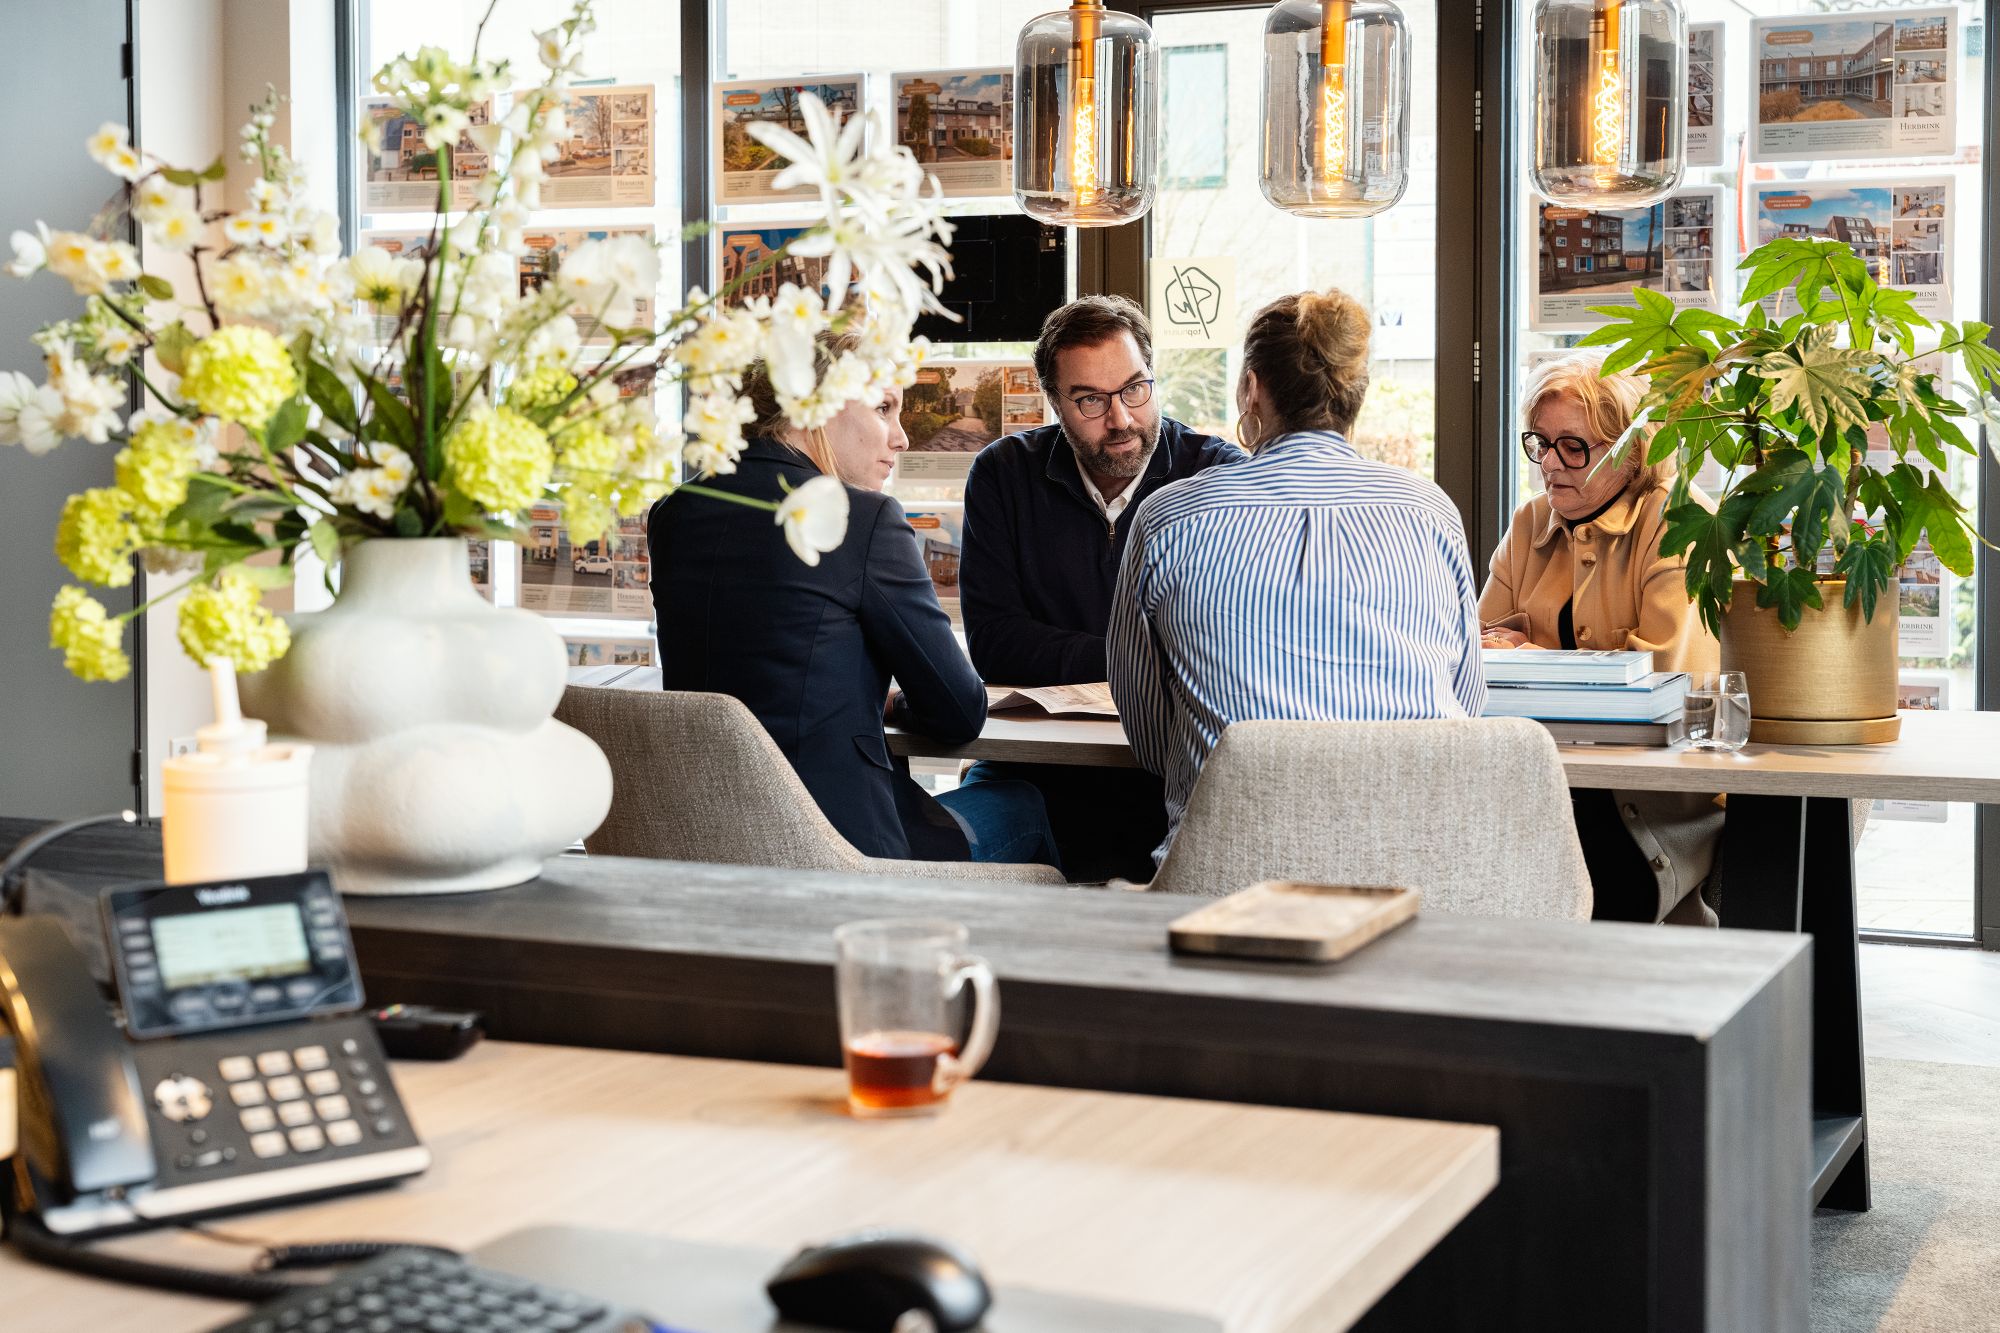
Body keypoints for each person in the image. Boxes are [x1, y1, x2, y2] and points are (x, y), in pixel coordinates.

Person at [647, 336, 1060, 871]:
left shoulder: (673, 514)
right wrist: (893, 702)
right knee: (1022, 803)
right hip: (841, 854)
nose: (902, 438)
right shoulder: (864, 521)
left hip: (702, 846)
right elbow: (960, 712)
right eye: (884, 408)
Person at [1108, 287, 1484, 869]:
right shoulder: (1429, 511)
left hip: (1228, 884)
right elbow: (1466, 708)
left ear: (1251, 389)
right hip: (1421, 878)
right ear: (1357, 392)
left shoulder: (1168, 518)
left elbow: (1152, 738)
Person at [958, 295, 1244, 881]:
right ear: (1053, 401)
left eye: (1134, 389)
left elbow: (1231, 650)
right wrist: (1143, 659)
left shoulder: (1217, 475)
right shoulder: (1003, 473)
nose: (1120, 420)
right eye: (1090, 399)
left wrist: (1068, 652)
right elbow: (994, 643)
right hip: (1036, 769)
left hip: (1170, 776)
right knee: (936, 853)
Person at [1480, 352, 1722, 925]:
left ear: (1631, 450)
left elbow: (1664, 681)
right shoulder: (1528, 523)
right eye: (1540, 442)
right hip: (1535, 786)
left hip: (1643, 804)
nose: (1549, 463)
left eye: (1573, 446)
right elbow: (1471, 657)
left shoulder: (1679, 520)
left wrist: (1527, 655)